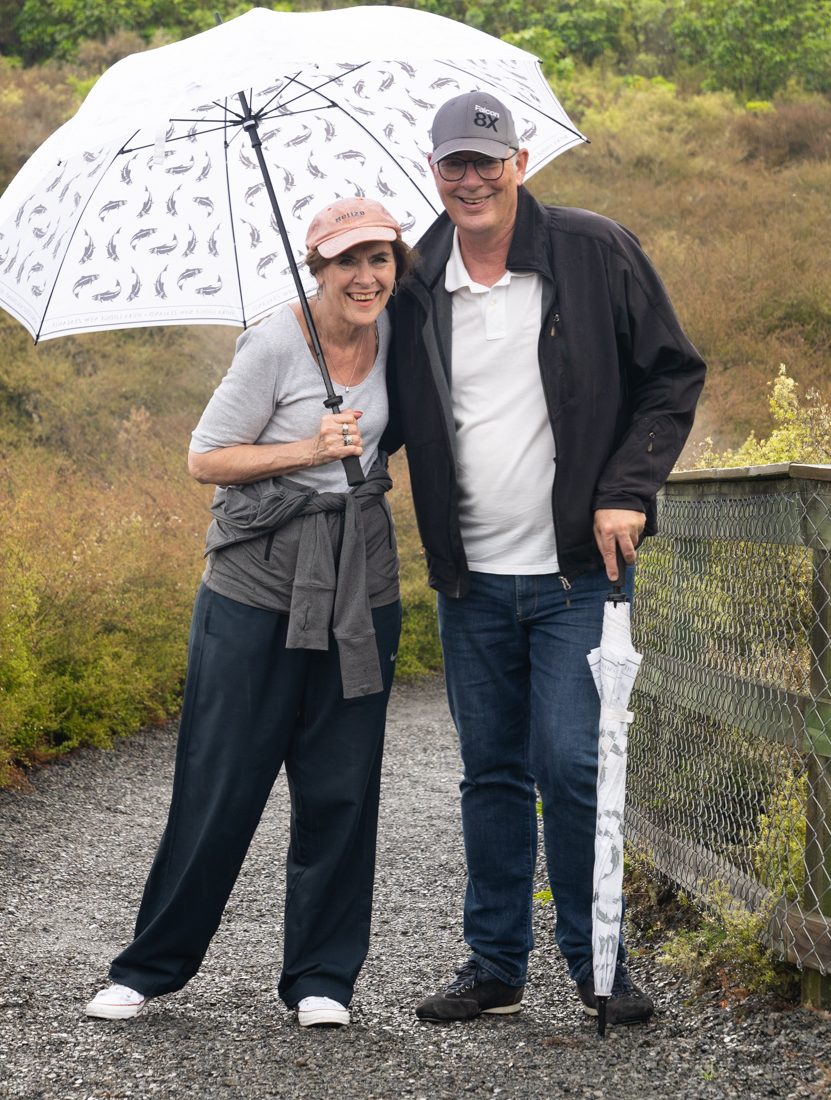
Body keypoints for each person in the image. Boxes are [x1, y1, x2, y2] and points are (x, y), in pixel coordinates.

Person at [383, 91, 706, 1026]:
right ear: (434, 171)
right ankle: (495, 967)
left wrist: (628, 488)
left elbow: (673, 374)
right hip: (470, 580)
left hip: (579, 575)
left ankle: (598, 966)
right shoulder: (414, 281)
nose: (471, 179)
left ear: (520, 163)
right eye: (454, 164)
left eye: (487, 161)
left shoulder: (594, 250)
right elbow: (388, 405)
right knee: (490, 773)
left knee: (570, 764)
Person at [85, 198, 414, 1029]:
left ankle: (322, 980)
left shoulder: (402, 335)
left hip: (359, 583)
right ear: (317, 268)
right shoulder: (273, 343)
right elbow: (206, 458)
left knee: (342, 785)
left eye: (379, 259)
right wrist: (309, 447)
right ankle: (149, 968)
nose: (365, 277)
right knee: (222, 778)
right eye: (346, 261)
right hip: (255, 586)